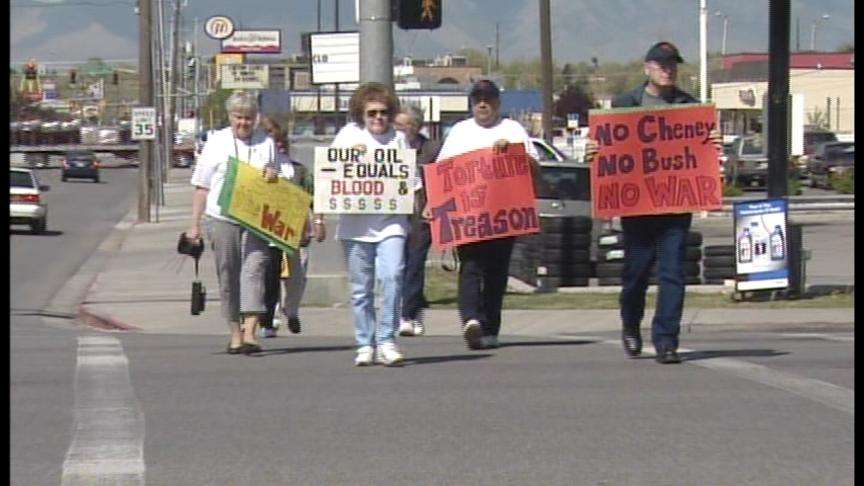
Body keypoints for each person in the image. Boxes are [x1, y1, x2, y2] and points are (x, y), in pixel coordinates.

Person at [585, 42, 721, 364]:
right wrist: (593, 152)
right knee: (637, 273)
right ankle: (631, 324)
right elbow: (607, 149)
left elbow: (702, 150)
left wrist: (713, 144)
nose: (668, 70)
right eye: (661, 65)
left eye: (672, 65)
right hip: (637, 206)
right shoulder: (625, 104)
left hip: (675, 204)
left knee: (673, 273)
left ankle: (666, 340)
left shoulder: (689, 107)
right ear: (647, 68)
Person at [432, 79, 540, 350]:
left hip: (503, 214)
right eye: (477, 99)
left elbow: (534, 167)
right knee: (470, 266)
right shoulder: (460, 131)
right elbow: (443, 171)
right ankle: (471, 319)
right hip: (469, 215)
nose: (482, 104)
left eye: (488, 99)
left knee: (496, 272)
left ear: (497, 103)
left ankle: (490, 327)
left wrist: (513, 151)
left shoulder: (512, 129)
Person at [186, 90, 278, 355]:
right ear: (230, 117)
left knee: (255, 269)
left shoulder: (266, 143)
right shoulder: (216, 142)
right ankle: (235, 333)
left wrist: (273, 174)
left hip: (256, 219)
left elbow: (277, 178)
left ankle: (251, 332)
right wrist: (194, 225)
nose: (243, 123)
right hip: (222, 217)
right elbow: (201, 187)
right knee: (228, 273)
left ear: (255, 118)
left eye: (248, 117)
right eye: (238, 117)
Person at [331, 82, 410, 367]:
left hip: (391, 224)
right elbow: (330, 175)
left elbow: (410, 180)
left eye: (383, 112)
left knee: (393, 277)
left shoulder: (399, 140)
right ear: (361, 114)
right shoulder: (348, 136)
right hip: (355, 227)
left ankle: (387, 340)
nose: (378, 118)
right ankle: (365, 343)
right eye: (372, 113)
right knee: (361, 289)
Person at [257, 116, 326, 338]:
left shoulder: (298, 171)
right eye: (273, 141)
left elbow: (315, 197)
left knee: (296, 276)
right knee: (270, 275)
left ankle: (291, 310)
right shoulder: (257, 170)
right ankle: (271, 317)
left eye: (281, 142)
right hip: (267, 232)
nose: (278, 146)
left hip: (295, 233)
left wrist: (318, 222)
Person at [395, 105, 442, 337]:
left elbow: (442, 179)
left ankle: (408, 315)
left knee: (414, 263)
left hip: (421, 214)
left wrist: (433, 203)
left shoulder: (432, 149)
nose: (399, 129)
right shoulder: (388, 147)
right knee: (396, 264)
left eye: (404, 125)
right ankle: (409, 309)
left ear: (416, 126)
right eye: (396, 125)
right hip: (394, 214)